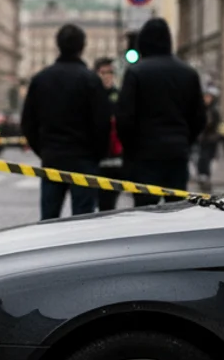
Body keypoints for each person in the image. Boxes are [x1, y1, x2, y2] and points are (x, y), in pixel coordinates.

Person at [20, 24, 112, 220]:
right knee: (83, 219)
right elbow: (102, 124)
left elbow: (28, 122)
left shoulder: (41, 79)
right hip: (84, 158)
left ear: (57, 45)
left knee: (50, 219)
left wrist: (43, 149)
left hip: (52, 156)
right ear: (82, 47)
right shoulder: (91, 80)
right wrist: (96, 154)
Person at [115, 17, 206, 207]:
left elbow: (124, 118)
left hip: (144, 154)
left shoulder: (136, 73)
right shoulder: (188, 73)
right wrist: (184, 140)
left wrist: (131, 148)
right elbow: (199, 117)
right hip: (177, 152)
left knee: (145, 210)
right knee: (175, 208)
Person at [93, 57, 124, 211]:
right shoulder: (90, 95)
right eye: (103, 72)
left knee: (109, 205)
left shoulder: (120, 95)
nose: (107, 76)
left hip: (115, 158)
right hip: (94, 157)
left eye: (110, 72)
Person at [197, 86, 222, 192]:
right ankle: (203, 174)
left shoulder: (213, 110)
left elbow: (212, 123)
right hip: (203, 139)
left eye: (208, 97)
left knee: (207, 157)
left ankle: (205, 175)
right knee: (202, 157)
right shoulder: (202, 109)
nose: (206, 99)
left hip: (210, 139)